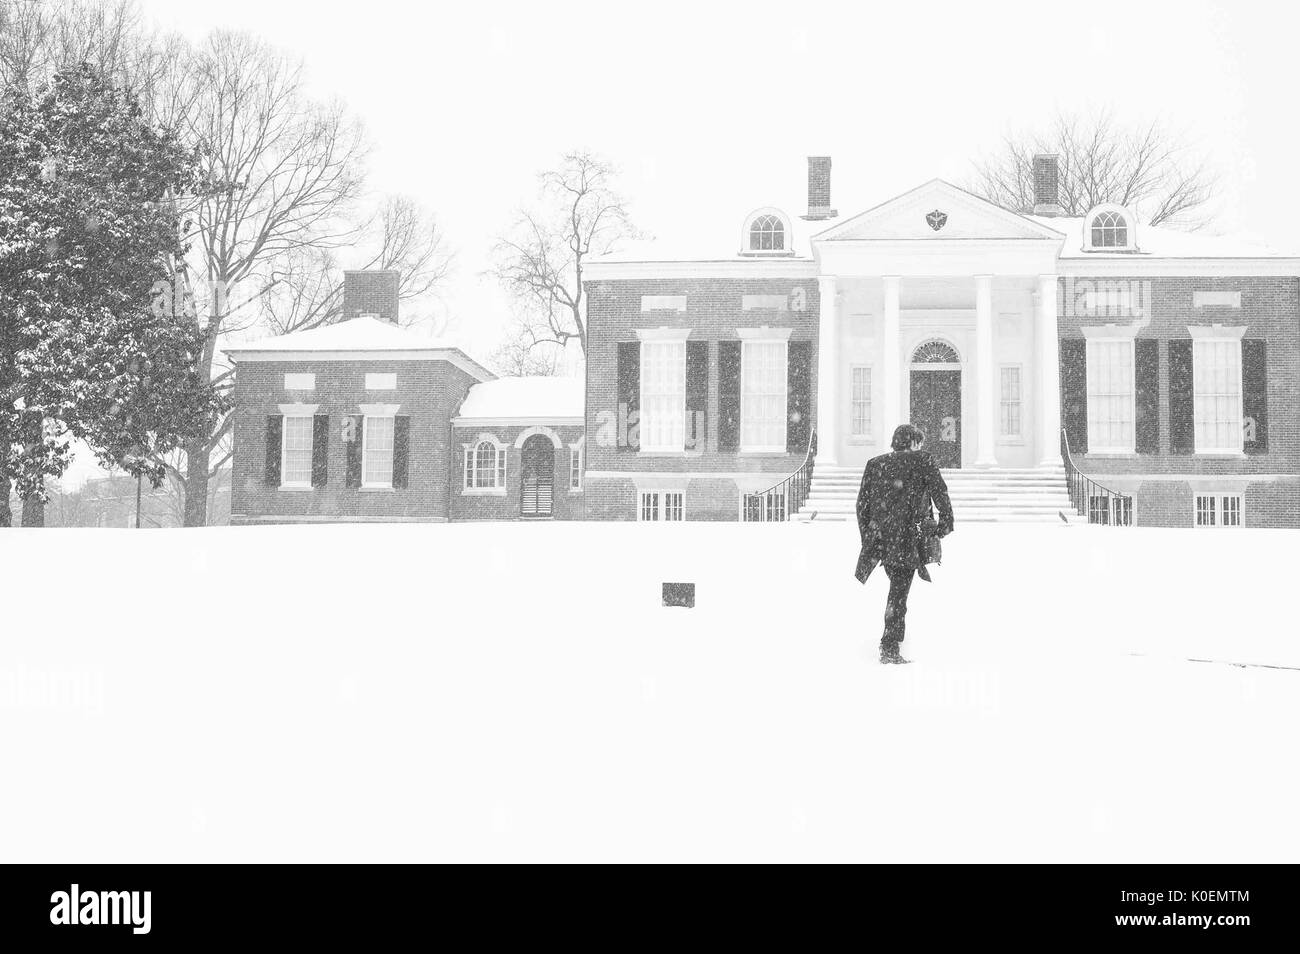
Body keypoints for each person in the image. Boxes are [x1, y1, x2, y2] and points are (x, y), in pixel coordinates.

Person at [854, 423, 955, 665]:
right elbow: (940, 491)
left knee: (898, 588)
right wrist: (945, 522)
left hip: (884, 537)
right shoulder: (922, 460)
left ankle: (891, 641)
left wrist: (870, 536)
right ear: (913, 443)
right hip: (908, 537)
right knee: (899, 592)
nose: (920, 447)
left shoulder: (875, 463)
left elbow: (862, 505)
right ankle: (889, 646)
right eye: (918, 443)